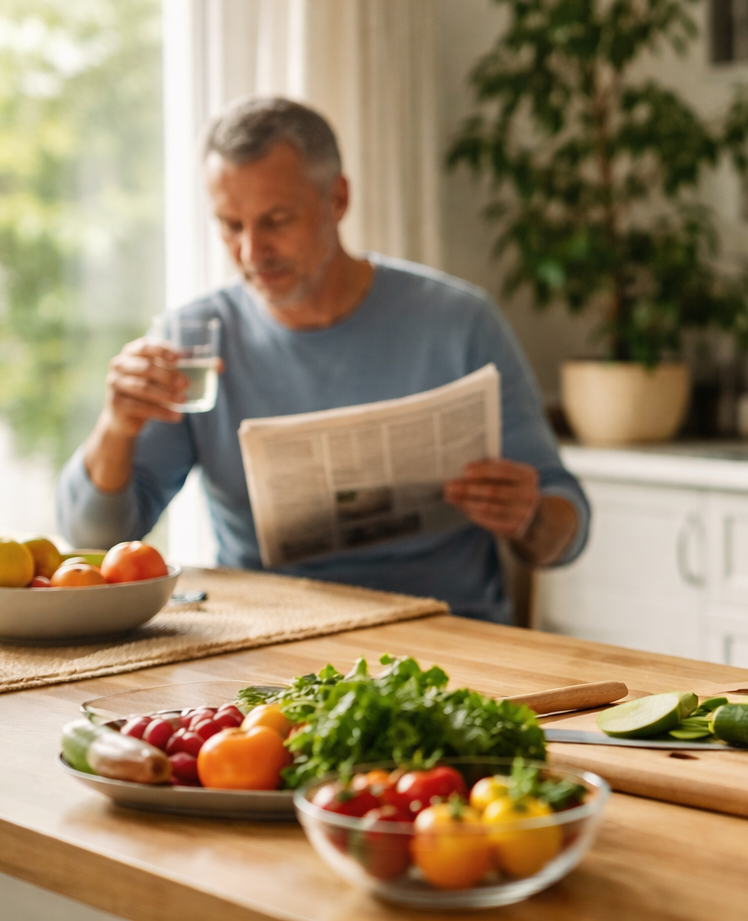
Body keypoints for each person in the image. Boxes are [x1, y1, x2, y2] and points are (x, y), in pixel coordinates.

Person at [57, 96, 589, 622]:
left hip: (447, 631)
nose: (251, 251)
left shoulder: (459, 322)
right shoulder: (193, 340)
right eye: (230, 225)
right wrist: (116, 427)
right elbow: (93, 542)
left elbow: (567, 529)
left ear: (337, 199)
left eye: (277, 220)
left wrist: (530, 516)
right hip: (263, 642)